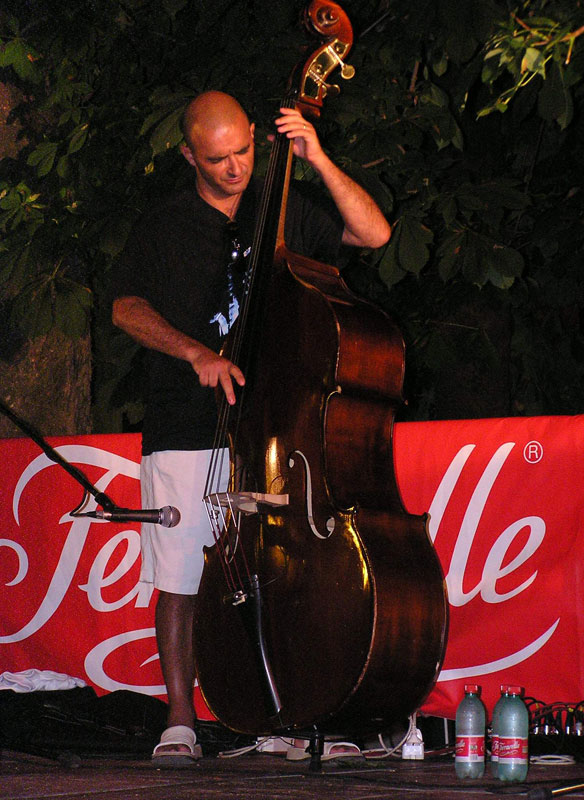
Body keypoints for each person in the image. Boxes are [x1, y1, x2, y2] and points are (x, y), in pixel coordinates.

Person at [111, 90, 390, 765]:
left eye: (242, 153)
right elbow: (124, 307)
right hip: (188, 422)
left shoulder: (282, 205)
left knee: (284, 573)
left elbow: (375, 234)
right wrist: (194, 353)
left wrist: (316, 157)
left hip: (275, 429)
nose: (235, 168)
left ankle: (288, 713)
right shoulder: (163, 226)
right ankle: (180, 718)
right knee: (182, 576)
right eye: (217, 159)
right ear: (189, 156)